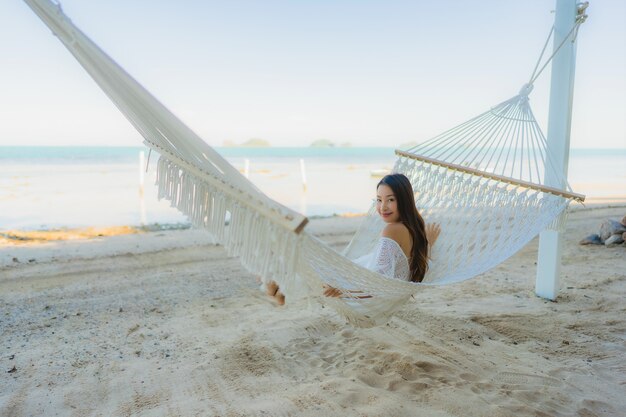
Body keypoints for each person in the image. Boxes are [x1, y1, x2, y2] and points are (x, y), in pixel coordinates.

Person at [266, 173, 440, 304]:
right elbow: (415, 263)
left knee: (301, 262)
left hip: (357, 286)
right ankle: (277, 287)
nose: (382, 207)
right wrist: (428, 243)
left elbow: (379, 284)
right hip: (357, 277)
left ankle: (274, 282)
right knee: (297, 273)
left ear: (404, 201)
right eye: (379, 200)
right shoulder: (414, 231)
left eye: (390, 200)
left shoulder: (392, 230)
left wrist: (345, 291)